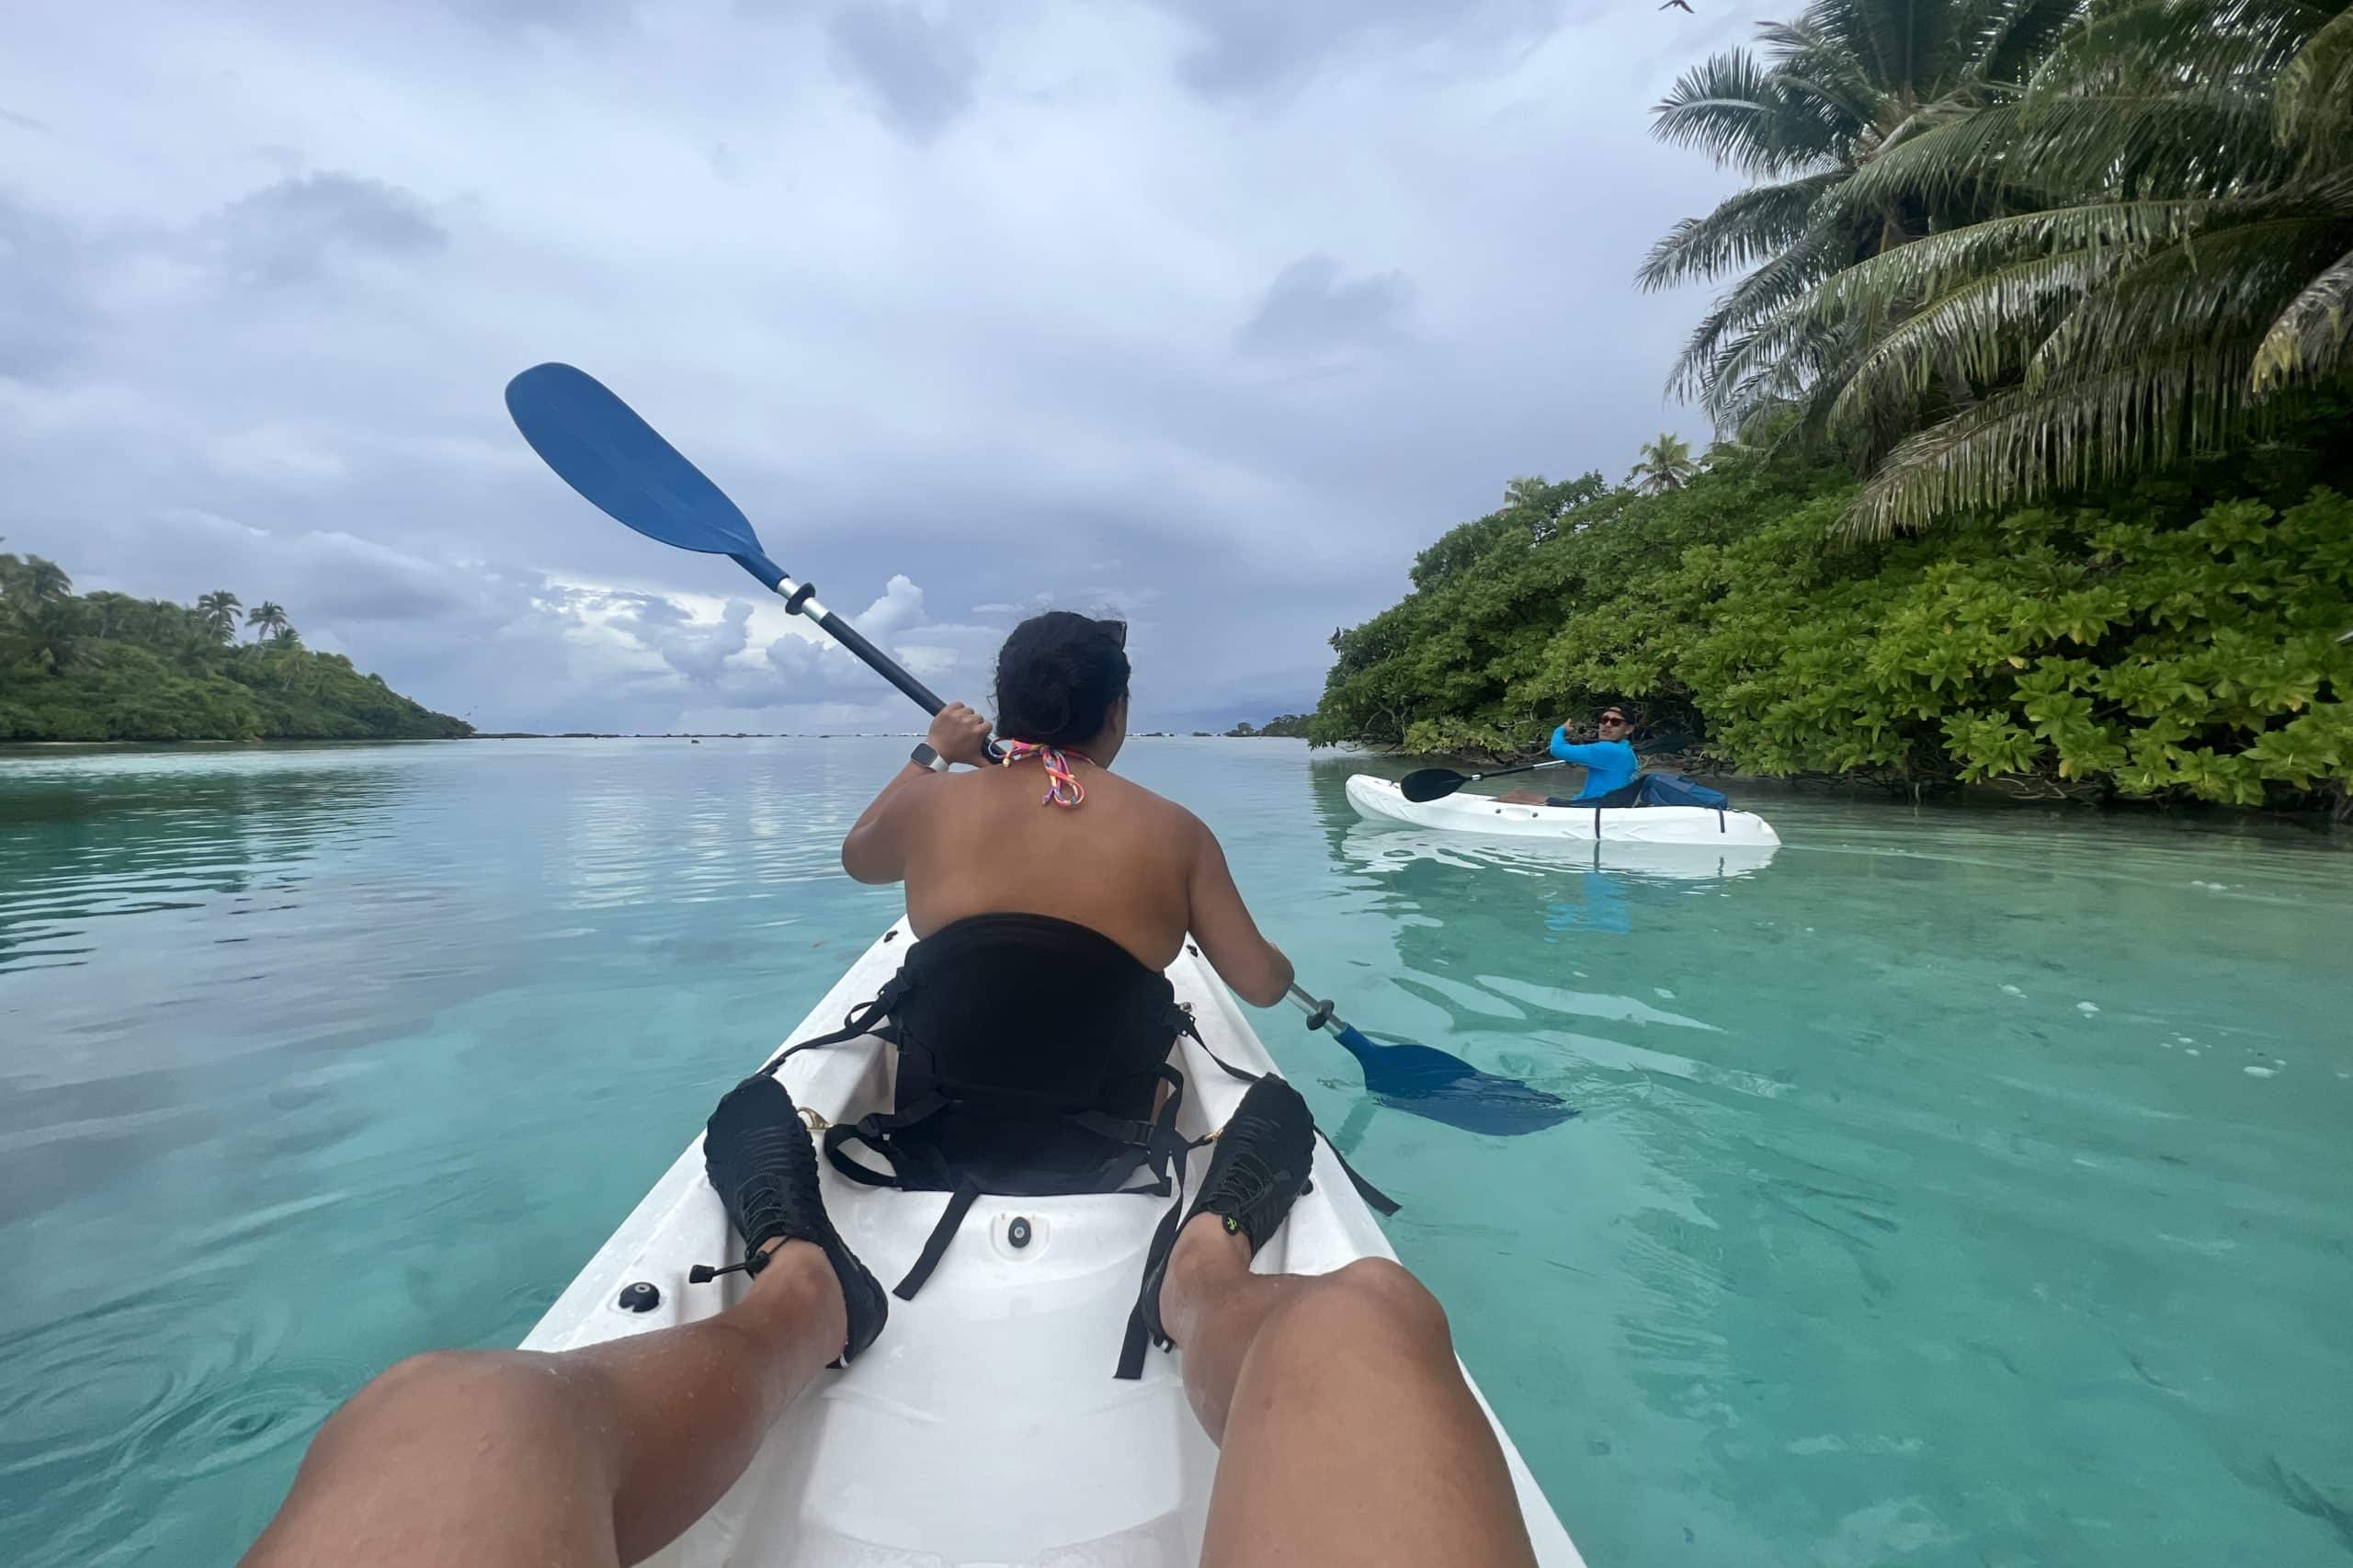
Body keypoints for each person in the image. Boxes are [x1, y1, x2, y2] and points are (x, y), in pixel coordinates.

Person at [240, 610, 1541, 1568]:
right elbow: (1251, 981)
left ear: (1003, 707)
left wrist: (934, 757)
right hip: (1114, 1135)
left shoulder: (936, 805)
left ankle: (805, 1292)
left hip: (918, 1128)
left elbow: (859, 859)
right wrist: (1269, 962)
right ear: (1115, 718)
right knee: (1352, 1280)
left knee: (448, 1407)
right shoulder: (1172, 828)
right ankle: (1199, 1273)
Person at [1499, 704, 1641, 808]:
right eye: (1604, 720)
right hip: (1600, 805)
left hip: (1592, 807)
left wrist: (1561, 730)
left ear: (1628, 729)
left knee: (1517, 795)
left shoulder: (1608, 749)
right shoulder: (1627, 752)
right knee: (1522, 795)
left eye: (1615, 722)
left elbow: (1557, 749)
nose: (1607, 725)